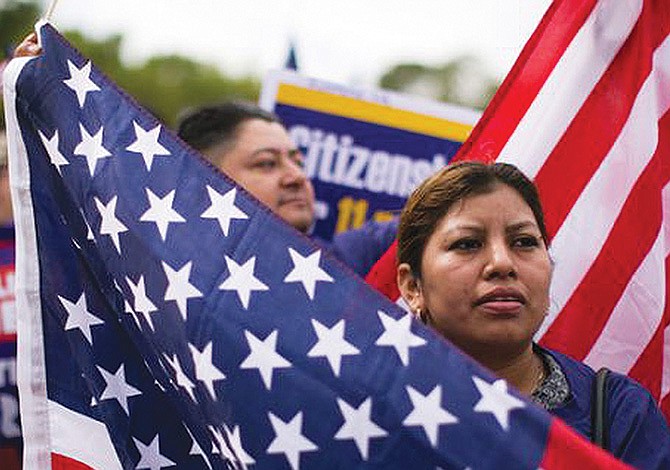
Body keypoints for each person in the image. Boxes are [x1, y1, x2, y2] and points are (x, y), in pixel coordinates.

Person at [396, 161, 670, 468]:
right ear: (412, 287)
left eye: (524, 242)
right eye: (467, 244)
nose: (501, 263)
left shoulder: (619, 414)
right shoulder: (366, 394)